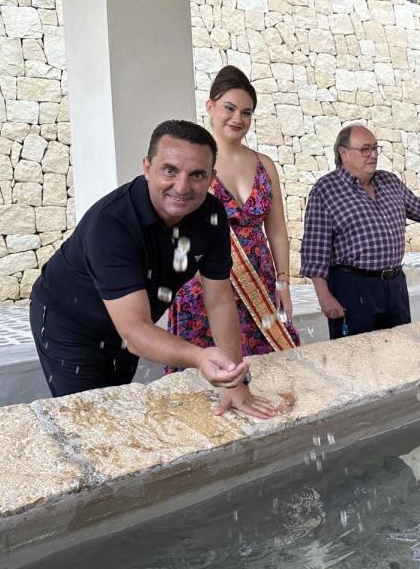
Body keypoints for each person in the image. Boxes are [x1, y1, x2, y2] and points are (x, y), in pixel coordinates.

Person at [29, 119, 281, 419]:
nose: (182, 186)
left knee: (115, 400)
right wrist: (198, 356)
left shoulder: (211, 217)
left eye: (197, 174)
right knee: (87, 417)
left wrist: (235, 382)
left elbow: (220, 301)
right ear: (147, 168)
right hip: (70, 322)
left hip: (131, 324)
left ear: (212, 177)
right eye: (170, 170)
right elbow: (135, 332)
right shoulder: (112, 224)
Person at [300, 124, 420, 339]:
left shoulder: (389, 182)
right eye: (365, 149)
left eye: (375, 148)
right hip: (353, 288)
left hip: (394, 286)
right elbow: (314, 251)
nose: (372, 155)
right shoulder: (325, 190)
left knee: (401, 352)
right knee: (357, 358)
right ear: (343, 153)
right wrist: (324, 296)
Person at [167, 66, 300, 363]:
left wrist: (282, 281)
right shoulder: (193, 163)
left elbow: (276, 229)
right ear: (210, 106)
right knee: (209, 372)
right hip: (203, 282)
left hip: (260, 283)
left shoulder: (264, 165)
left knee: (272, 368)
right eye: (229, 108)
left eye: (247, 112)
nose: (238, 118)